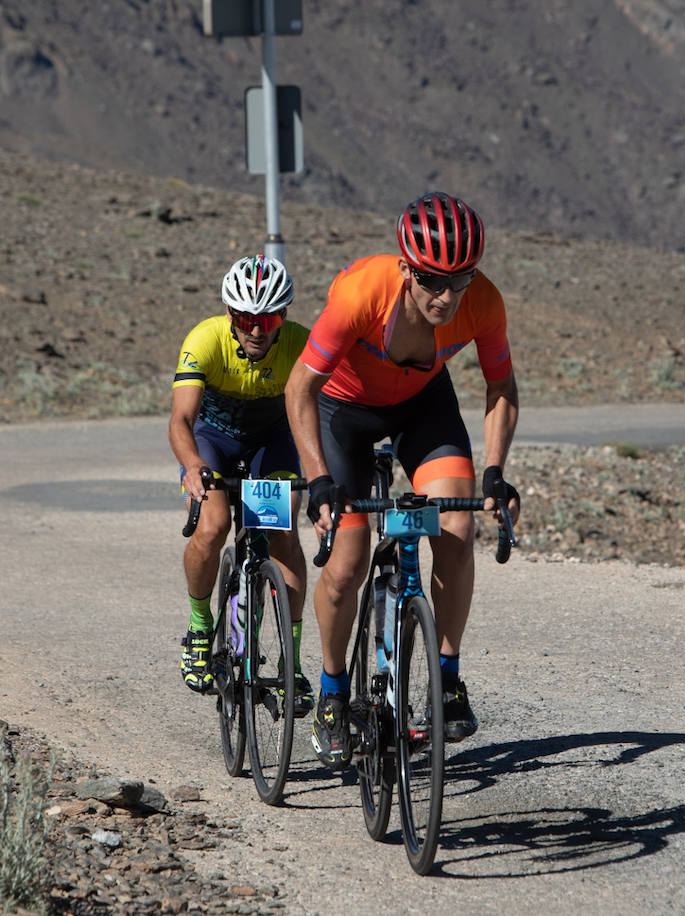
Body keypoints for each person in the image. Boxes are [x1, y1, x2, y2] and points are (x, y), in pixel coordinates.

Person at [285, 191, 520, 770]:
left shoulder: (483, 301)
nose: (446, 297)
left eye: (458, 281)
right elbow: (300, 389)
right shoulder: (361, 293)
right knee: (346, 565)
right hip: (345, 413)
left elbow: (502, 388)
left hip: (422, 407)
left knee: (458, 527)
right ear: (408, 268)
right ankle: (334, 692)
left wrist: (494, 471)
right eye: (434, 281)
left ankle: (447, 675)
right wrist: (317, 482)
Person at [169, 254, 314, 714]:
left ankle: (290, 661)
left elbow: (325, 414)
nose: (256, 329)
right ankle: (198, 626)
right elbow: (181, 419)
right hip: (213, 442)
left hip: (271, 443)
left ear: (283, 317)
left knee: (282, 536)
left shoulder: (300, 344)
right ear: (230, 314)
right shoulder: (204, 339)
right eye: (246, 318)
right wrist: (192, 466)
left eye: (267, 319)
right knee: (212, 526)